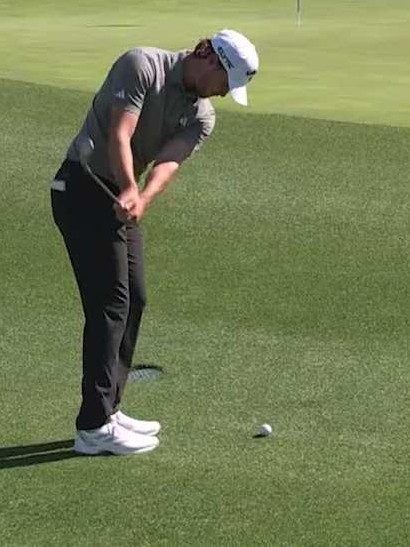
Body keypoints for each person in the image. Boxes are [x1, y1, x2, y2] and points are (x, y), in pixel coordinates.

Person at [51, 30, 258, 456]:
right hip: (82, 187)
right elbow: (119, 133)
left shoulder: (203, 115)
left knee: (135, 299)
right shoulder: (142, 64)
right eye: (224, 82)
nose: (222, 93)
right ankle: (92, 426)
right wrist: (129, 186)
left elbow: (168, 162)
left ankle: (109, 408)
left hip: (119, 202)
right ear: (208, 57)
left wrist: (141, 197)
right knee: (111, 303)